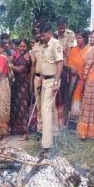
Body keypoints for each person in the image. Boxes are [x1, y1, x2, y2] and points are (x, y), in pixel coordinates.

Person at [39, 23, 63, 155]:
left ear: (48, 33)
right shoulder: (45, 46)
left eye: (43, 35)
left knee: (46, 111)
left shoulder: (56, 44)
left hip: (52, 81)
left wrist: (56, 81)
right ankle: (51, 138)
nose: (41, 37)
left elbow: (60, 63)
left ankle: (46, 145)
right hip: (45, 81)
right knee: (48, 110)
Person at [67, 30, 91, 128]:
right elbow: (69, 63)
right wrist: (71, 68)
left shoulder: (89, 49)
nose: (77, 40)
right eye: (77, 38)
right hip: (74, 79)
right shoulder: (74, 50)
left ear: (85, 38)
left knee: (84, 100)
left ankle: (82, 125)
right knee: (73, 99)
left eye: (80, 38)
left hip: (86, 79)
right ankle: (73, 123)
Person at [10, 39, 34, 137]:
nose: (22, 48)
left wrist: (11, 66)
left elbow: (20, 69)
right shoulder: (17, 56)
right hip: (16, 84)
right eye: (20, 46)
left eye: (24, 46)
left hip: (24, 84)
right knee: (16, 106)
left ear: (27, 47)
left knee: (23, 107)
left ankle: (25, 131)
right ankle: (17, 129)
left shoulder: (27, 57)